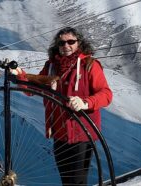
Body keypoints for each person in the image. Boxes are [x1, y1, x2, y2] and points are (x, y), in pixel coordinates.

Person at [11, 27, 112, 185]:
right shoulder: (52, 66)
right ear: (57, 46)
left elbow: (106, 94)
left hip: (81, 133)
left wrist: (85, 102)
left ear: (79, 43)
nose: (66, 45)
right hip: (60, 132)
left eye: (71, 42)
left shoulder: (89, 65)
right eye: (62, 42)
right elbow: (36, 88)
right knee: (66, 180)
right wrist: (20, 76)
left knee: (77, 181)